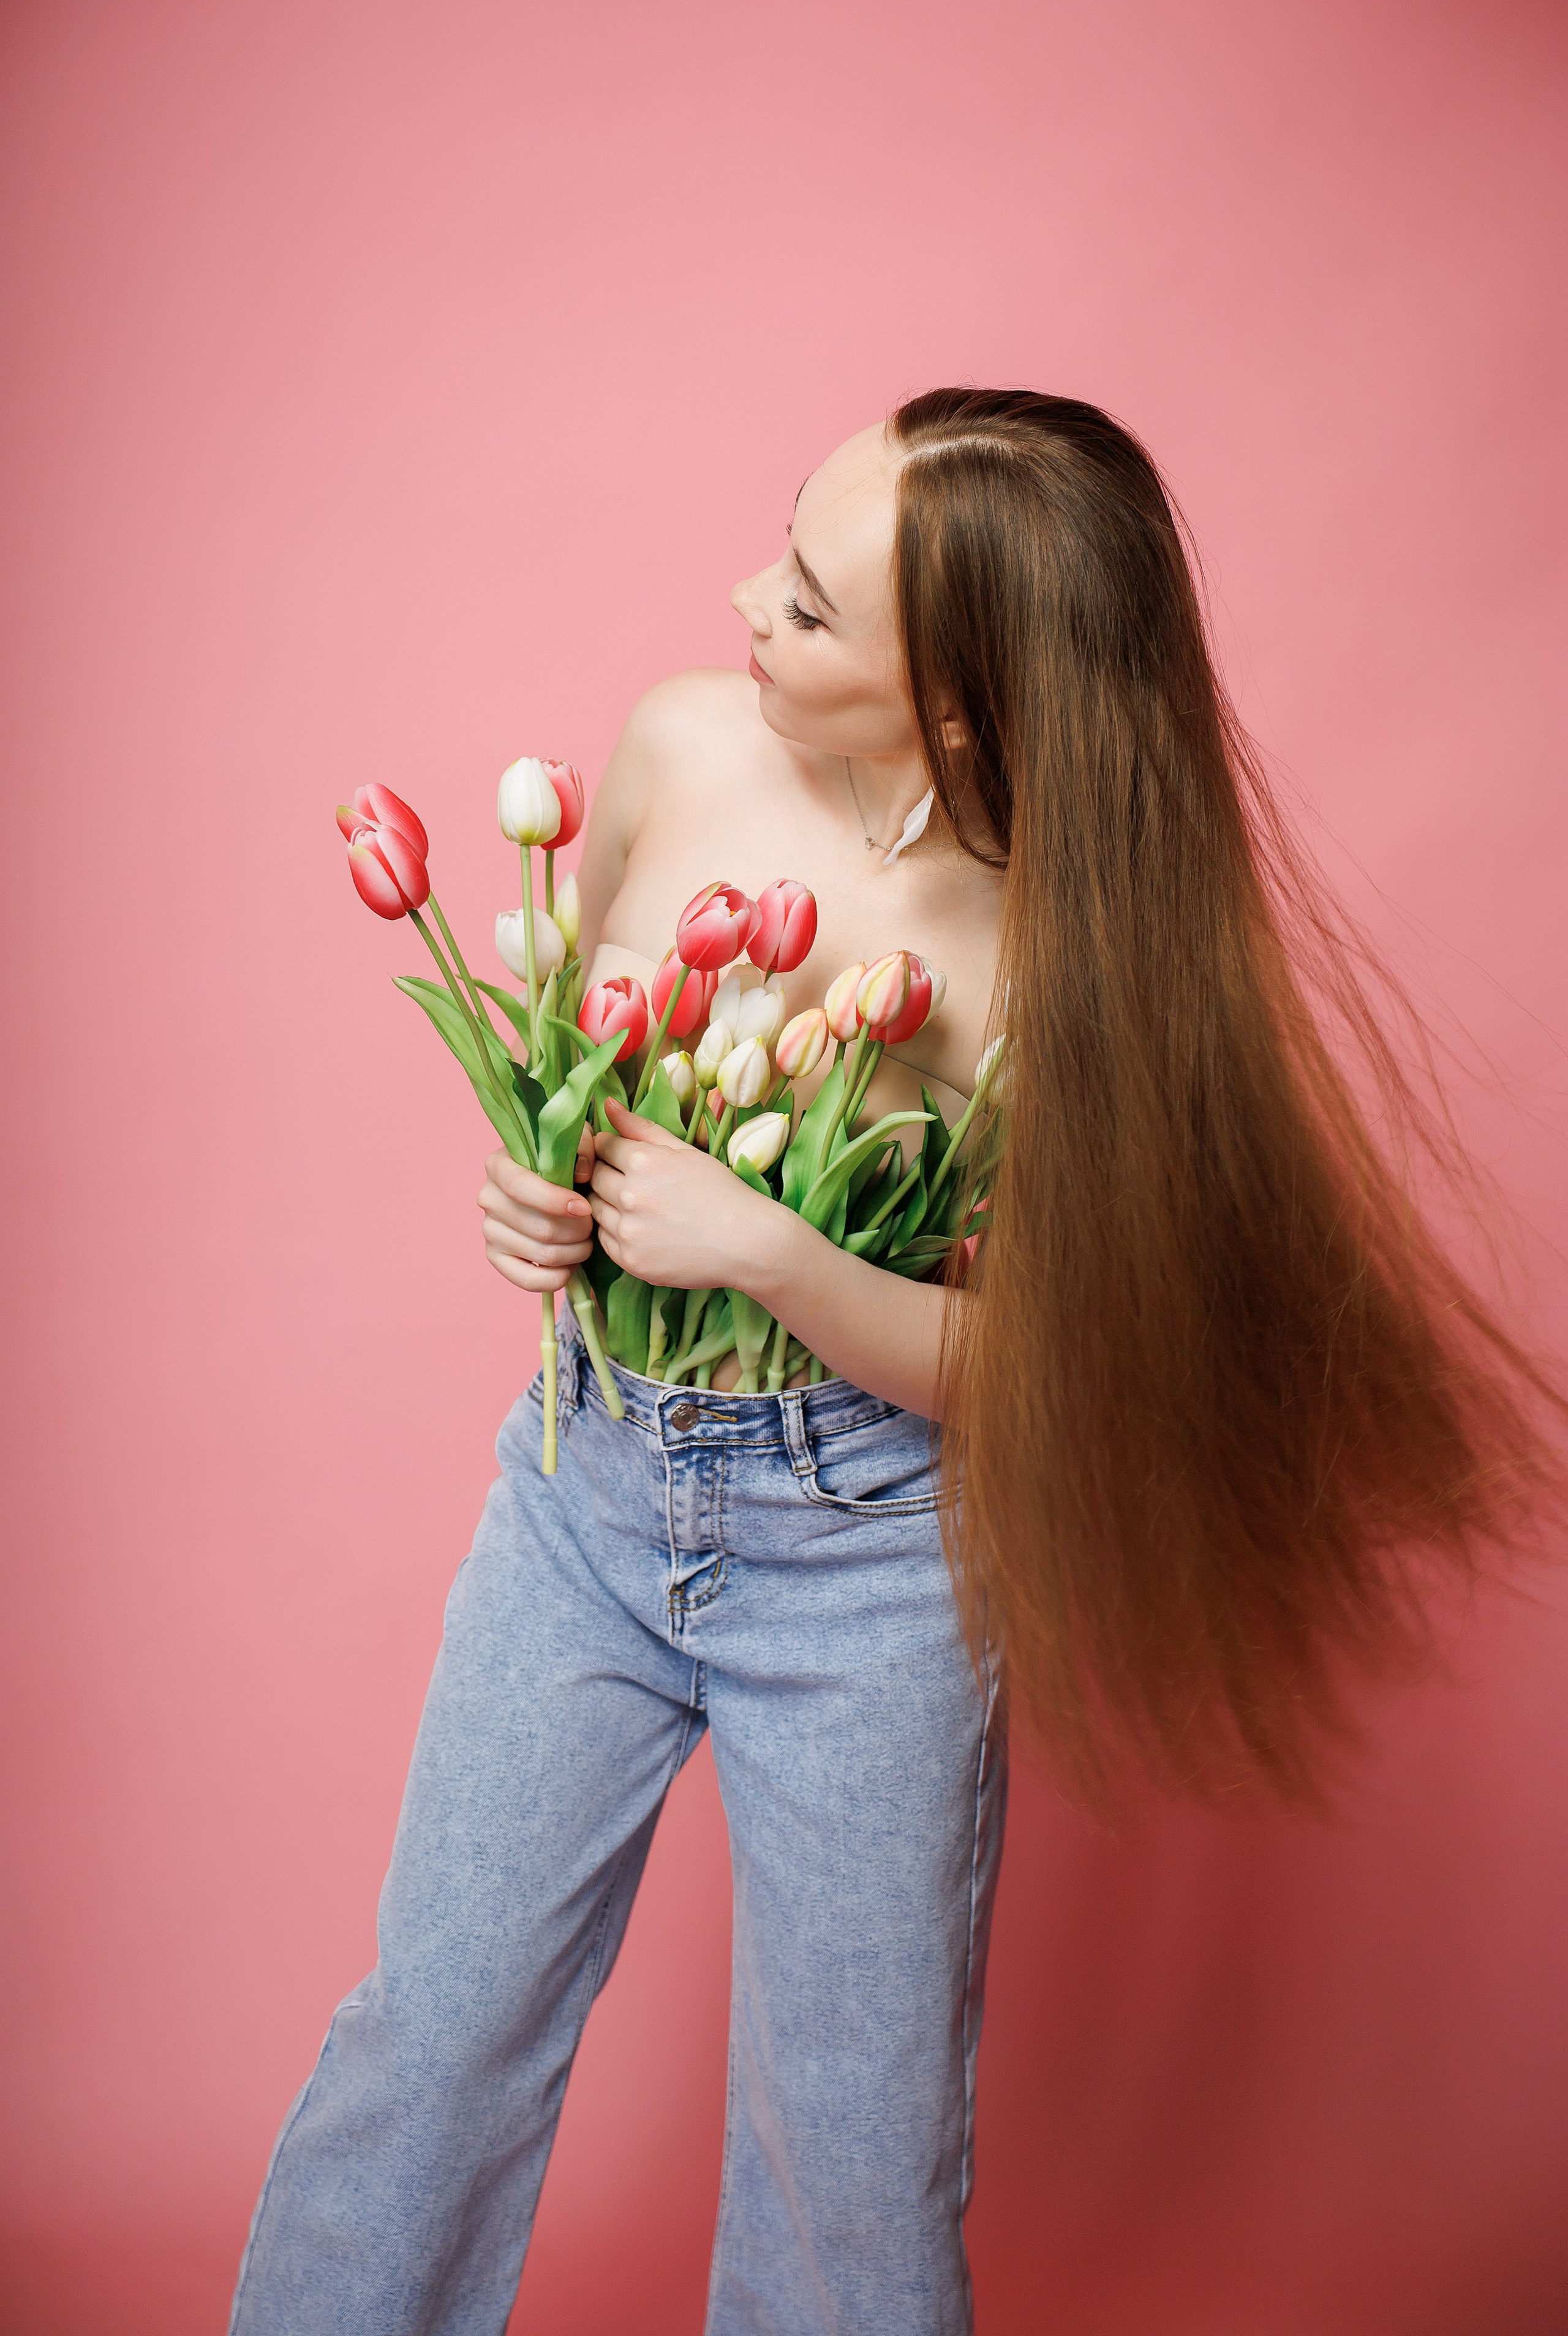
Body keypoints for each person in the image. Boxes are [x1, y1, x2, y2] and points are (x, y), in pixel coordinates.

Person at [229, 390, 1561, 2336]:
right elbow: (573, 1081)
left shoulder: (1057, 954)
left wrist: (769, 1251)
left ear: (956, 708)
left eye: (815, 606)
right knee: (429, 2047)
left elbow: (1049, 1373)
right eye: (788, 546)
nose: (745, 602)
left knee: (850, 2153)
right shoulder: (683, 743)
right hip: (587, 1499)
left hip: (869, 1569)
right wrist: (543, 1201)